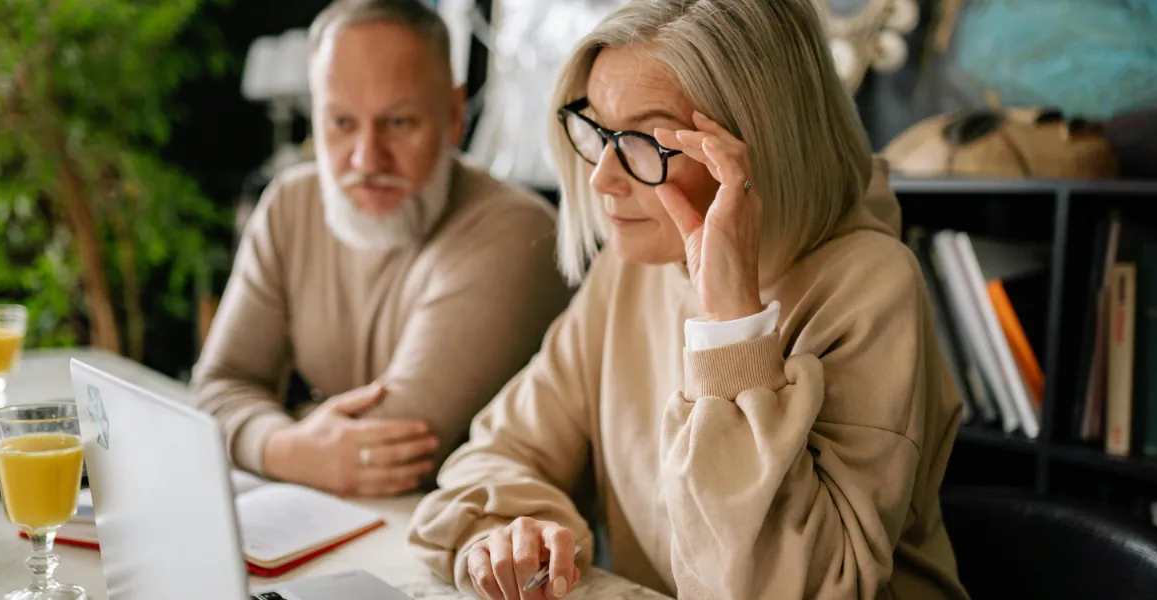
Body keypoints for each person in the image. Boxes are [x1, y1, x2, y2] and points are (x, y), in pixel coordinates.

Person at [406, 0, 972, 599]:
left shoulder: (872, 287)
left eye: (645, 140)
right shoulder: (633, 272)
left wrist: (732, 324)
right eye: (597, 130)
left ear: (762, 146)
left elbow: (795, 589)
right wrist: (511, 534)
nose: (602, 176)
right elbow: (497, 453)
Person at [191, 0, 571, 498]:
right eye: (341, 123)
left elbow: (393, 455)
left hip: (482, 548)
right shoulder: (289, 204)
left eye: (398, 123)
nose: (367, 159)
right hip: (348, 528)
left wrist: (271, 428)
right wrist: (288, 446)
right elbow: (216, 387)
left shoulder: (517, 232)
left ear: (454, 116)